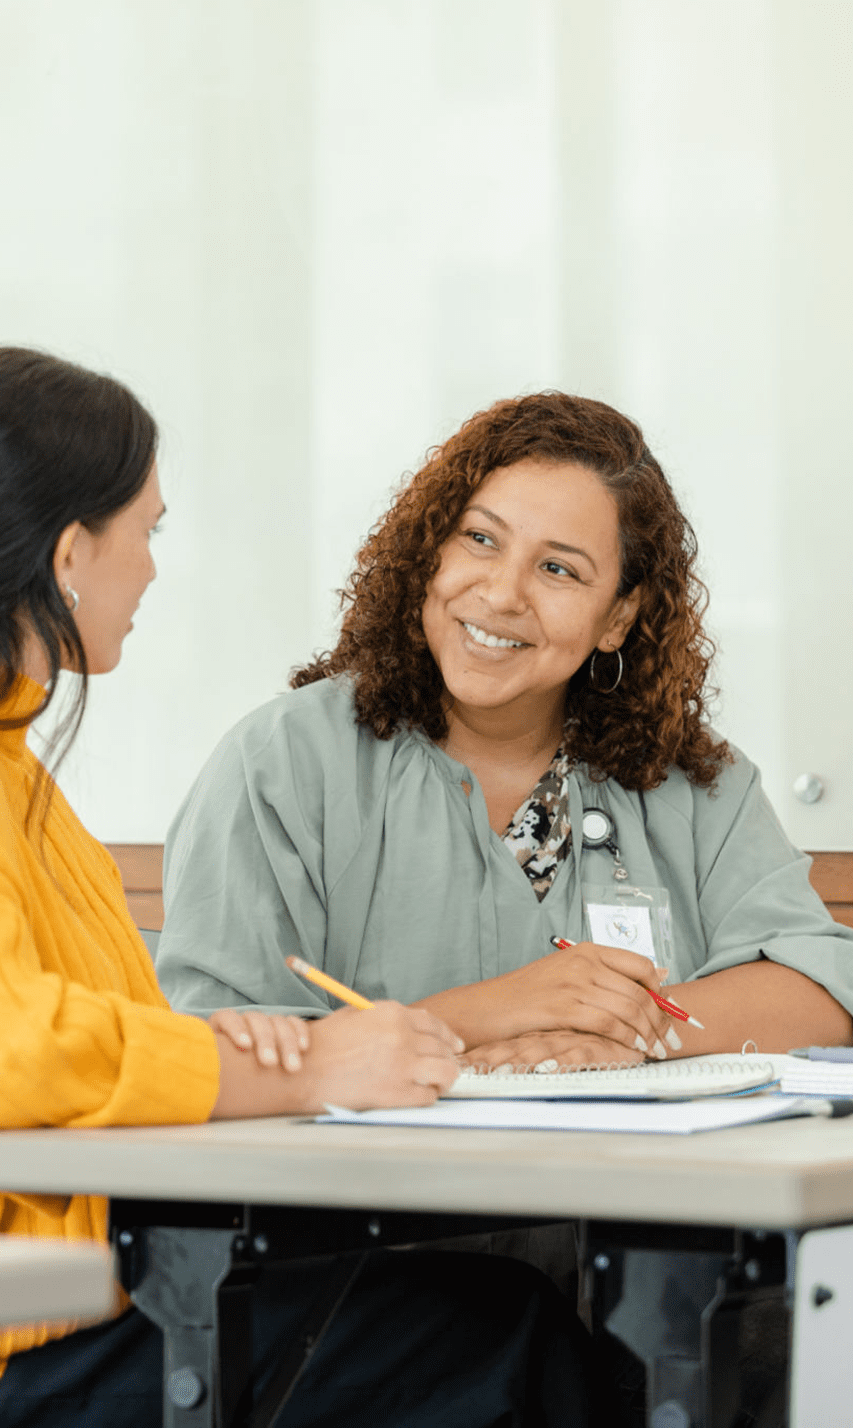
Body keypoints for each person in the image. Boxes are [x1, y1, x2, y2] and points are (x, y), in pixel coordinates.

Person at [0, 351, 614, 1428]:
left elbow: (71, 1032)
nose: (153, 571)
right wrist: (315, 1059)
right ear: (72, 550)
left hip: (2, 1333)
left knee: (481, 1317)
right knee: (497, 1340)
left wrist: (243, 1046)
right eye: (148, 532)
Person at [156, 392, 853, 1070]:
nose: (500, 593)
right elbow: (217, 1049)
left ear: (617, 617)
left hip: (633, 1187)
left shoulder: (698, 785)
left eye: (558, 569)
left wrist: (629, 1033)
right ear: (430, 550)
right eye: (480, 539)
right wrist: (498, 1011)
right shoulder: (281, 764)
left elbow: (820, 989)